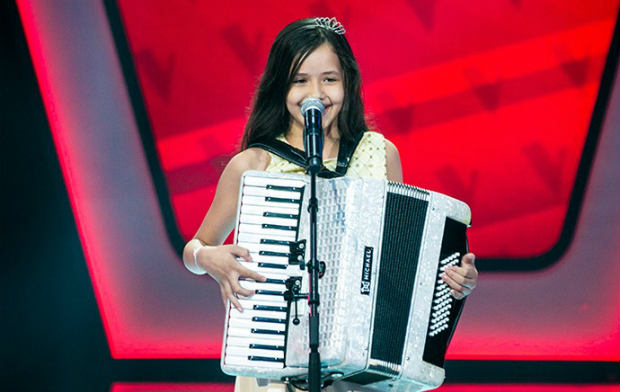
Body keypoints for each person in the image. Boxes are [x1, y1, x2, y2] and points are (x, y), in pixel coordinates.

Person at [183, 17, 478, 392]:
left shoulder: (380, 153)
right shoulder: (255, 164)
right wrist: (208, 259)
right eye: (300, 80)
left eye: (329, 79)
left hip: (360, 372)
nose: (315, 93)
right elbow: (196, 247)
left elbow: (397, 261)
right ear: (281, 87)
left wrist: (449, 281)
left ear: (348, 83)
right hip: (275, 366)